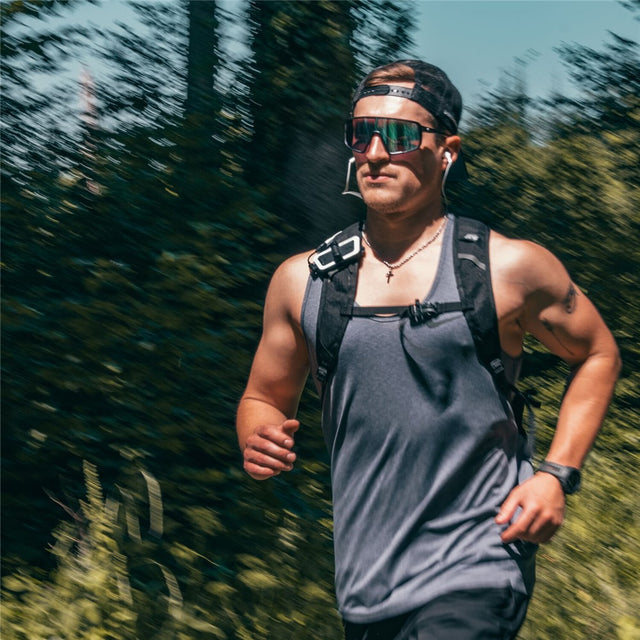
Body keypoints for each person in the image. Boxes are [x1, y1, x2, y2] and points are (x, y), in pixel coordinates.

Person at [236, 60, 620, 639]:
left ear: (447, 151)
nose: (374, 153)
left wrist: (555, 474)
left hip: (480, 563)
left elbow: (597, 354)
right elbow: (263, 398)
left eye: (398, 135)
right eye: (361, 134)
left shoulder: (507, 267)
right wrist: (257, 433)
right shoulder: (303, 281)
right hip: (367, 583)